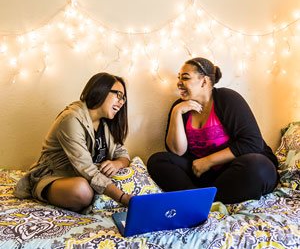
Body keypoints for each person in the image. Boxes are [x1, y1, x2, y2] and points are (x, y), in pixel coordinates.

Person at [147, 57, 278, 204]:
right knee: (157, 160)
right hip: (204, 175)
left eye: (185, 78)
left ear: (204, 81)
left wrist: (208, 161)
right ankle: (198, 199)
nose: (179, 83)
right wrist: (176, 113)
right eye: (179, 78)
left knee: (258, 166)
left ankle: (202, 200)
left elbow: (253, 143)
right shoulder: (181, 106)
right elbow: (178, 152)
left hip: (235, 170)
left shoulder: (227, 99)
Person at [15, 72, 133, 212]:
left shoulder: (107, 124)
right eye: (118, 95)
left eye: (123, 98)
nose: (121, 102)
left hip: (85, 177)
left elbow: (123, 155)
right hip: (55, 176)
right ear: (100, 90)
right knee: (82, 190)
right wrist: (123, 198)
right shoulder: (71, 119)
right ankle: (46, 192)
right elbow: (86, 169)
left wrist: (117, 163)